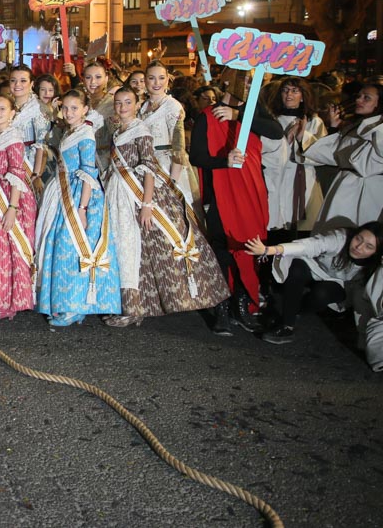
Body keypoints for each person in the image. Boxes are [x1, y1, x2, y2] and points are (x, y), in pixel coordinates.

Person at [104, 86, 228, 328]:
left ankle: (135, 308)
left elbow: (149, 168)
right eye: (118, 103)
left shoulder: (141, 131)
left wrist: (147, 204)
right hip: (117, 193)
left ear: (137, 104)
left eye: (127, 102)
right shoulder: (118, 130)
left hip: (137, 194)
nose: (122, 107)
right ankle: (132, 305)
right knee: (126, 250)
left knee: (135, 250)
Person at [190, 69, 285, 334]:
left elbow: (276, 132)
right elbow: (196, 157)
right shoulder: (207, 115)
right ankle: (221, 306)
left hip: (252, 192)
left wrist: (239, 116)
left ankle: (243, 303)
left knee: (250, 246)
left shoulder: (255, 113)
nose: (246, 84)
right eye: (242, 79)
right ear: (227, 82)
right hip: (220, 192)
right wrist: (223, 161)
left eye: (250, 80)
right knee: (222, 248)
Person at [34, 90, 120, 327]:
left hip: (80, 196)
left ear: (85, 110)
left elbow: (89, 173)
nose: (69, 112)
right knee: (60, 248)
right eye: (66, 108)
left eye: (75, 108)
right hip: (63, 193)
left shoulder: (85, 135)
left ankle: (75, 307)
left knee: (72, 248)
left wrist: (82, 208)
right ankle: (63, 303)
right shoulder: (69, 132)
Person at [247, 223, 381, 344]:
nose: (359, 247)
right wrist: (269, 250)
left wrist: (364, 338)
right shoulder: (342, 237)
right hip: (314, 267)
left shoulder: (373, 268)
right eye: (358, 238)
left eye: (368, 247)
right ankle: (287, 325)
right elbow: (310, 245)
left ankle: (294, 310)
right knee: (297, 268)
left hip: (339, 284)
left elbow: (362, 302)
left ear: (376, 253)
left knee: (321, 294)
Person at [0, 95, 38, 320]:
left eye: (2, 109)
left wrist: (12, 207)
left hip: (9, 199)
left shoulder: (13, 138)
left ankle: (6, 304)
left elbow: (18, 173)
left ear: (13, 113)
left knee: (6, 251)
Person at [303, 83, 382, 228]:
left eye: (367, 98)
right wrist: (334, 128)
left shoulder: (377, 129)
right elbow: (335, 154)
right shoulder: (355, 126)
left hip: (367, 190)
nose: (359, 100)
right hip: (344, 184)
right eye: (358, 96)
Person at [264, 77, 328, 232]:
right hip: (275, 178)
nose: (289, 94)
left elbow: (323, 154)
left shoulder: (314, 121)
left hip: (304, 178)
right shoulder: (272, 120)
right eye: (285, 90)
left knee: (303, 227)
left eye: (294, 91)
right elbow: (263, 150)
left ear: (303, 96)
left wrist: (302, 136)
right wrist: (285, 141)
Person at [138, 62, 196, 211]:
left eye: (161, 78)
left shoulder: (172, 106)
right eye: (152, 78)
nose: (157, 83)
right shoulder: (144, 106)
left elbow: (178, 147)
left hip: (167, 164)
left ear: (167, 80)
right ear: (145, 80)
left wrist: (173, 181)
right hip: (146, 164)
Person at [81, 60, 116, 175]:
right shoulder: (78, 102)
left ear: (106, 79)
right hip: (81, 159)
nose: (93, 82)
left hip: (106, 161)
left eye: (98, 77)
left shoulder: (114, 103)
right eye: (88, 77)